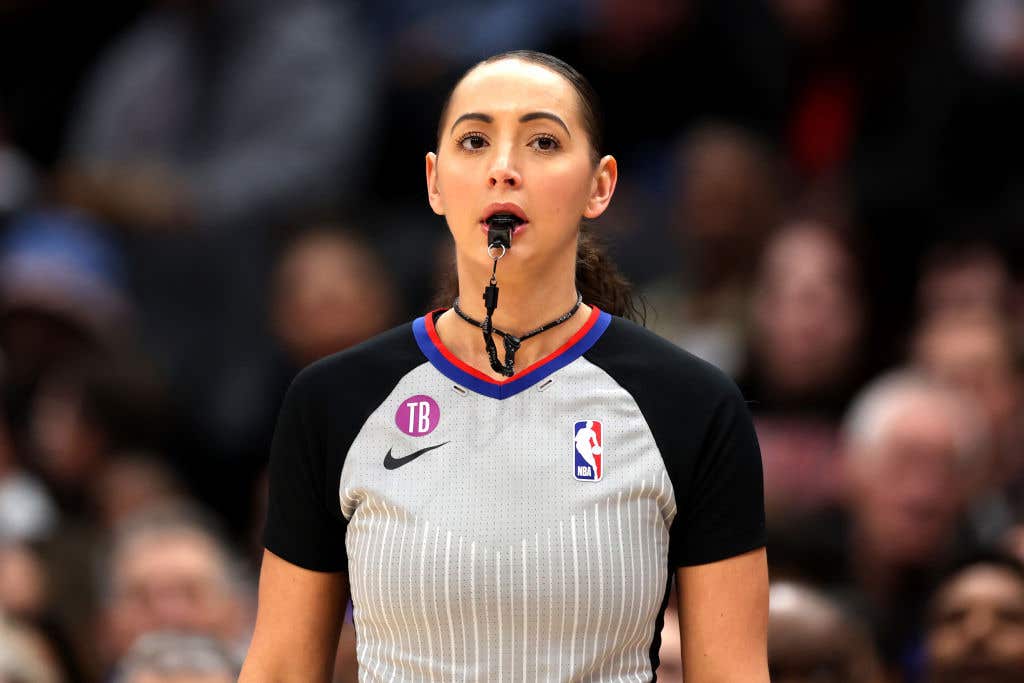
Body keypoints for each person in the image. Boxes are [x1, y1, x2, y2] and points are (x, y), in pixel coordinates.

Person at [241, 50, 768, 681]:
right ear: (435, 182)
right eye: (474, 141)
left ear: (599, 186)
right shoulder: (332, 401)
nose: (503, 169)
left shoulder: (693, 404)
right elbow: (278, 670)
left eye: (543, 141)